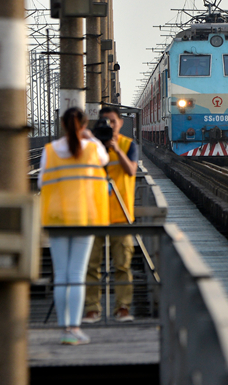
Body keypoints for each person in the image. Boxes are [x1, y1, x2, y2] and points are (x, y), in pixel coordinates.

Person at [39, 107, 110, 345]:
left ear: (62, 123)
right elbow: (105, 159)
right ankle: (75, 329)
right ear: (84, 124)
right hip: (84, 217)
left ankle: (64, 330)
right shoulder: (92, 148)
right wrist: (89, 137)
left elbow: (41, 181)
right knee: (77, 274)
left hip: (57, 218)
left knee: (61, 276)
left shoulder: (49, 151)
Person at [83, 106, 139, 323]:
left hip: (120, 214)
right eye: (105, 122)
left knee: (123, 264)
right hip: (94, 213)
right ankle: (92, 308)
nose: (109, 125)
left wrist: (115, 149)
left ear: (120, 123)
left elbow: (131, 171)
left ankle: (122, 307)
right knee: (91, 264)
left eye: (112, 121)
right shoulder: (92, 147)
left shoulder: (127, 145)